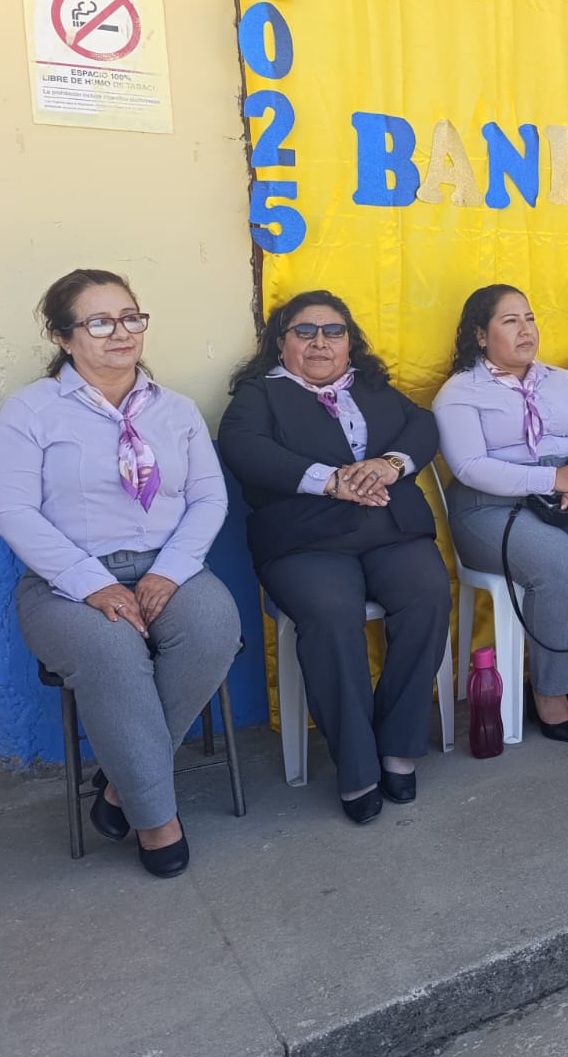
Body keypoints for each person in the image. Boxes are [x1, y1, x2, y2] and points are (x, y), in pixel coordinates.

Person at [0, 270, 241, 877]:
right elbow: (10, 509)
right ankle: (156, 818)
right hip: (64, 583)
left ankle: (121, 786)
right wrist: (92, 583)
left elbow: (209, 498)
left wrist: (171, 572)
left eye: (130, 318)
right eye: (99, 322)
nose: (121, 333)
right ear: (63, 336)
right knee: (114, 652)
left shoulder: (176, 410)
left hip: (168, 568)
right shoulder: (31, 410)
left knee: (214, 627)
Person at [219, 291, 449, 826]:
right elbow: (244, 448)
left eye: (333, 331)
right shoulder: (261, 394)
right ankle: (357, 763)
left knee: (429, 594)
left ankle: (398, 744)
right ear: (281, 343)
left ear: (350, 343)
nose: (320, 342)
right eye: (305, 331)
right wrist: (330, 481)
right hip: (306, 540)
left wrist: (392, 464)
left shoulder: (371, 387)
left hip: (391, 531)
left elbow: (423, 425)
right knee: (331, 614)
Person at [435, 285, 568, 743]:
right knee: (559, 566)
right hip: (490, 505)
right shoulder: (461, 392)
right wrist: (554, 480)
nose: (526, 330)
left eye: (529, 318)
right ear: (481, 336)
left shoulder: (562, 381)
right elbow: (470, 467)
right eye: (510, 321)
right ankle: (549, 690)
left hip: (566, 491)